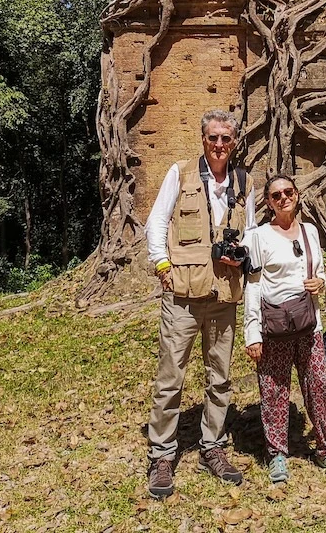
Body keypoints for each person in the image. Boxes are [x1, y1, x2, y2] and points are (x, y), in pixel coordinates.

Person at [143, 109, 256, 499]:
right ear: (203, 140)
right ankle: (161, 454)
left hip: (224, 296)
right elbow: (156, 221)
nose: (220, 145)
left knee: (220, 377)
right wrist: (161, 265)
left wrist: (242, 255)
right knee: (170, 377)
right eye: (213, 138)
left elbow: (252, 232)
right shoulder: (180, 173)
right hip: (183, 297)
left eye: (226, 138)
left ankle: (212, 446)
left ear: (234, 142)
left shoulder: (244, 182)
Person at [243, 174, 326, 484]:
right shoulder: (258, 237)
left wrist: (322, 282)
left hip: (309, 326)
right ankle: (277, 455)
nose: (283, 198)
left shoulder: (310, 232)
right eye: (276, 195)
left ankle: (325, 448)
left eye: (288, 192)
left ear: (297, 194)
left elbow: (321, 272)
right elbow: (252, 285)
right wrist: (252, 333)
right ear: (268, 203)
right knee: (274, 391)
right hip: (274, 328)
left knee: (317, 388)